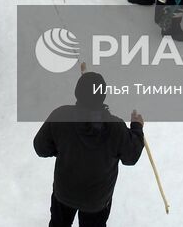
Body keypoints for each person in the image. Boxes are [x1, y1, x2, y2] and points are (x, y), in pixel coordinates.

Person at [34, 72, 145, 227]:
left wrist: (63, 149)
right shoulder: (115, 127)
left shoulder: (61, 115)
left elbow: (41, 148)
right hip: (97, 200)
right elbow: (131, 157)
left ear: (77, 92)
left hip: (64, 193)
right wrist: (137, 128)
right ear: (103, 95)